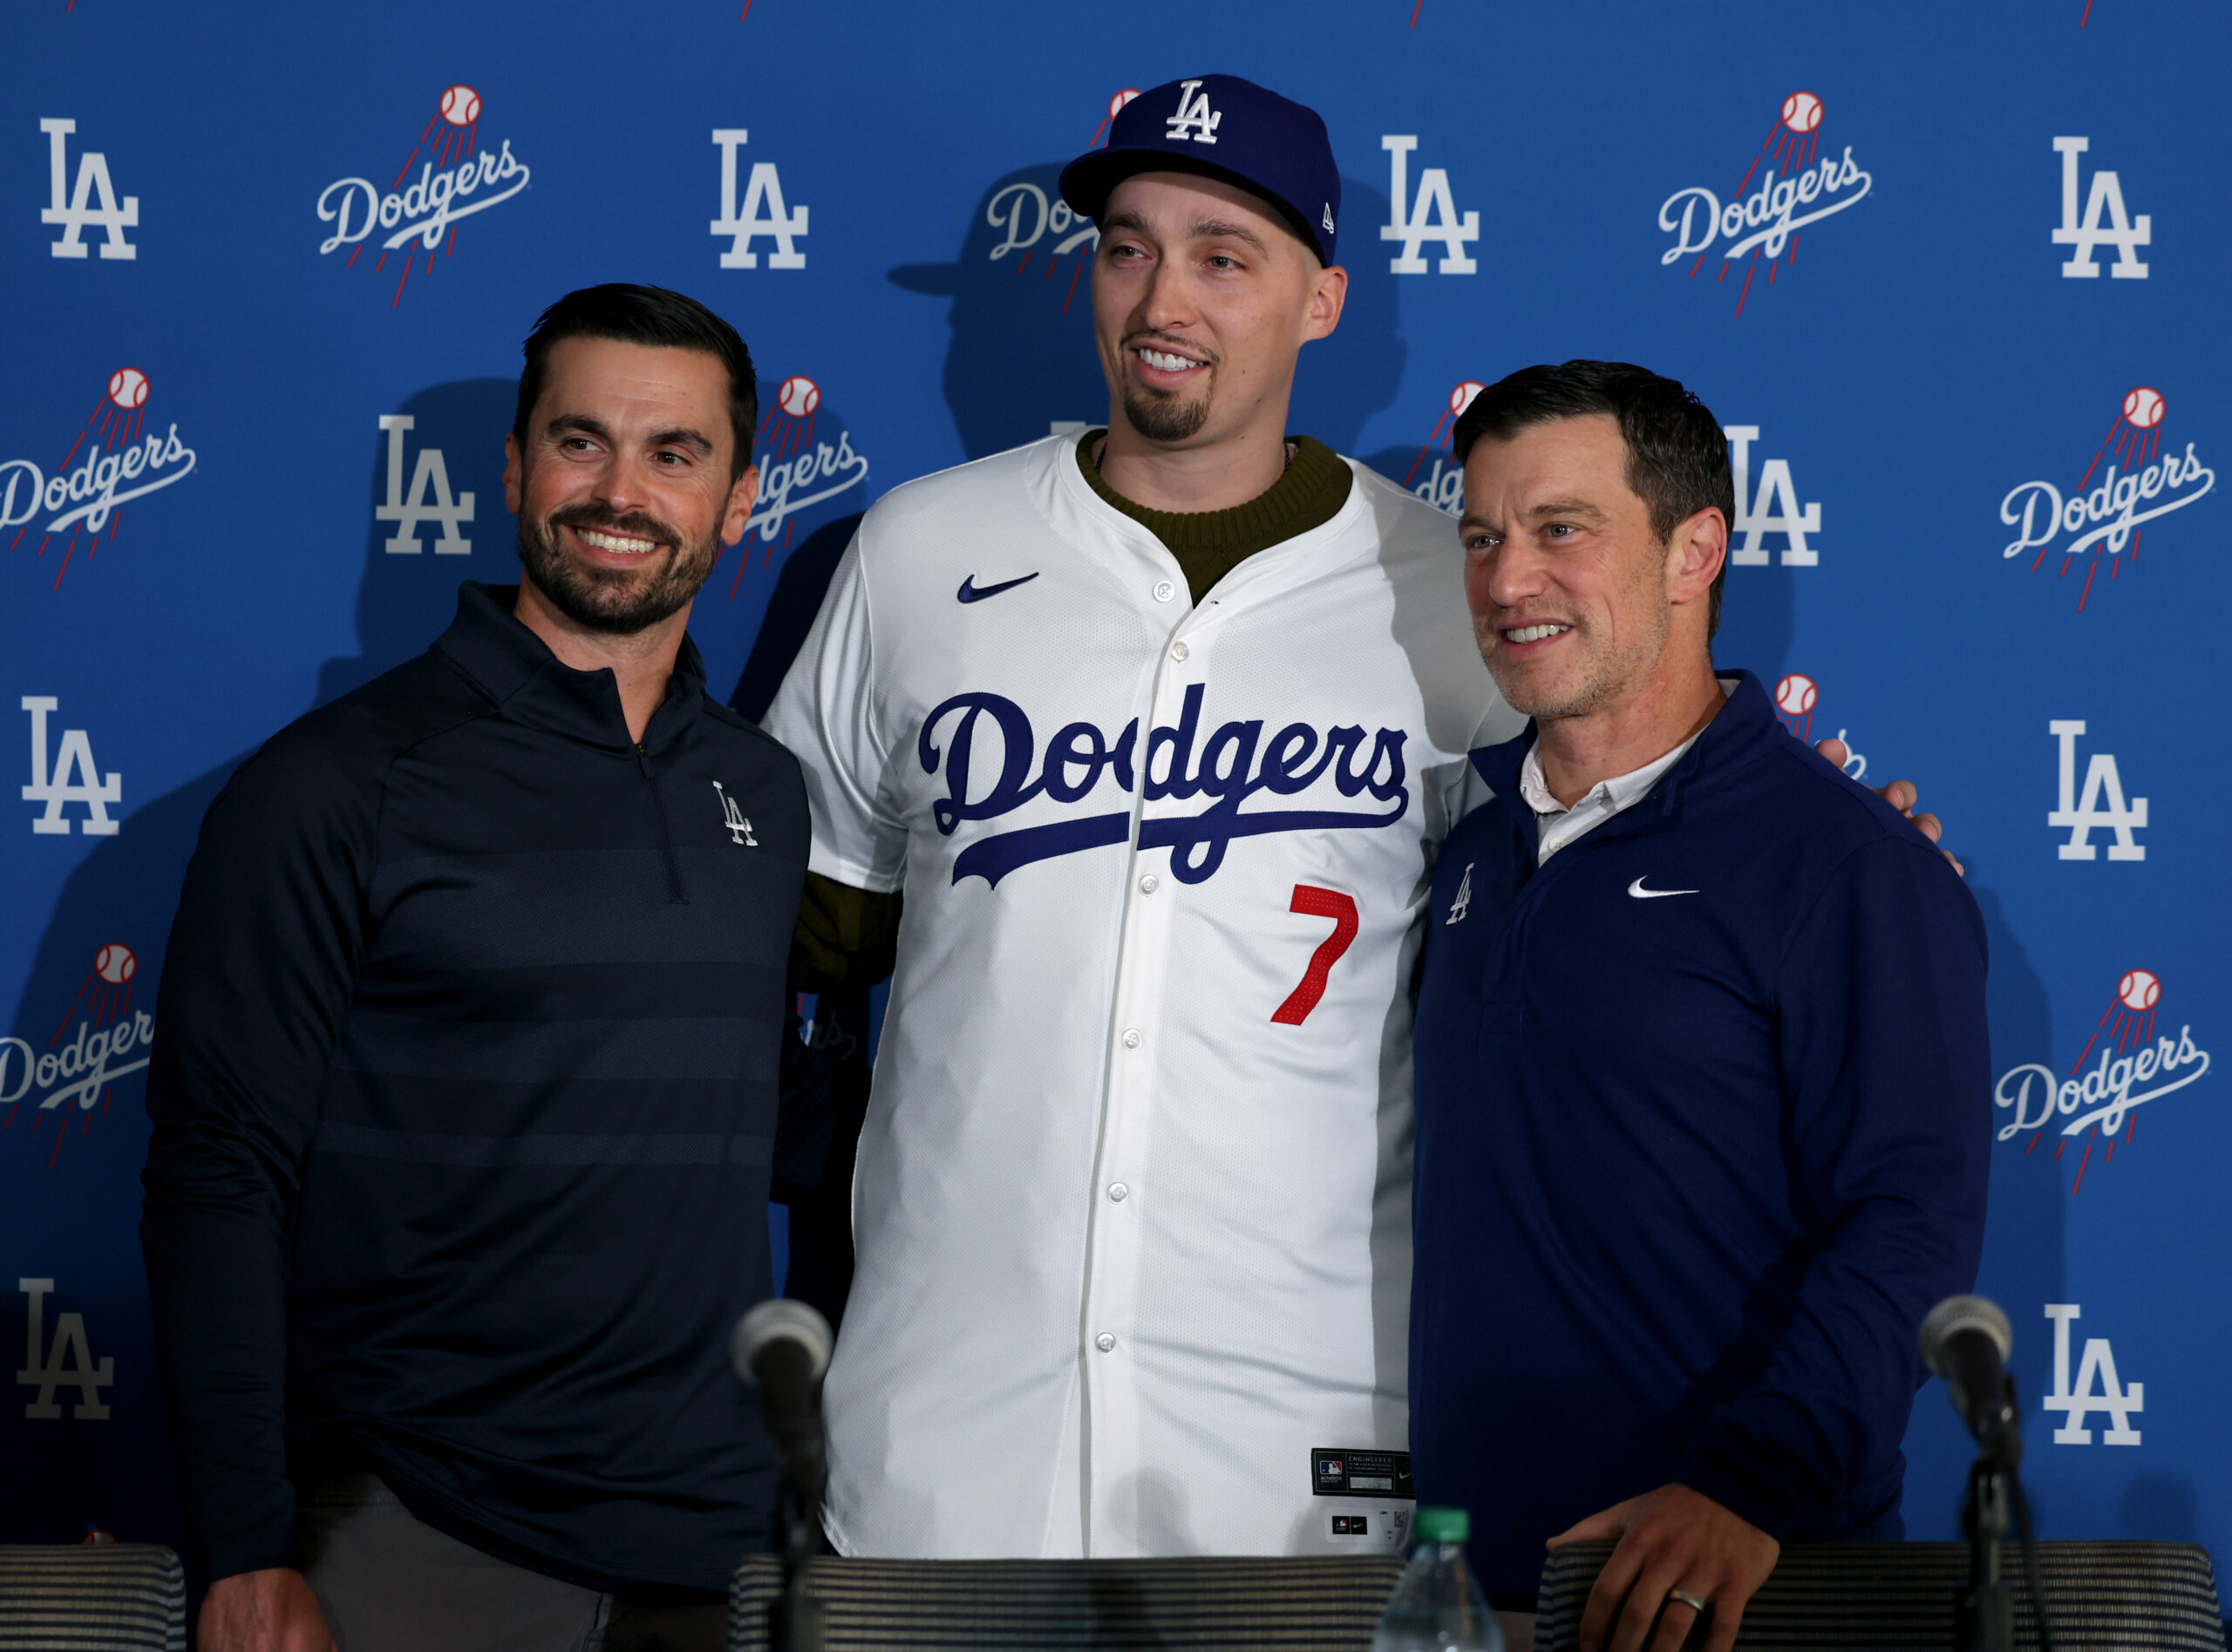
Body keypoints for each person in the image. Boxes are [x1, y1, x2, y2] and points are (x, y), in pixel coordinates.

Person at [762, 78, 1943, 1563]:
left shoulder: (1448, 594)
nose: (1159, 296)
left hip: (1315, 1436)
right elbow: (796, 919)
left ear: (1323, 301)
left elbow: (1630, 822)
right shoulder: (918, 550)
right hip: (941, 1427)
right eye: (1127, 247)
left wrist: (1846, 862)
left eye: (1222, 253)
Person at [140, 284, 805, 1652]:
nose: (619, 491)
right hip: (419, 1533)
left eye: (674, 454)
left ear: (740, 499)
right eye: (580, 442)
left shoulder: (761, 788)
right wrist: (246, 1549)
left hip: (713, 1551)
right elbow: (217, 1171)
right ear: (512, 469)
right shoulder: (337, 784)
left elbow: (764, 1116)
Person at [1408, 362, 1990, 1652]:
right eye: (1484, 537)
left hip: (1733, 1602)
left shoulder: (1845, 866)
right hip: (1470, 1598)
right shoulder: (1473, 840)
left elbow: (1907, 1219)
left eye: (1563, 531)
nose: (1507, 584)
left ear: (1695, 552)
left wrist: (1747, 1485)